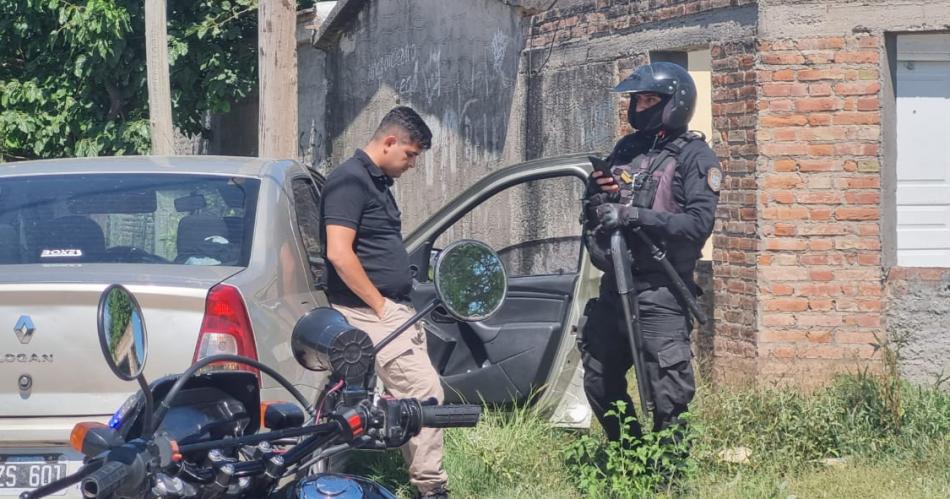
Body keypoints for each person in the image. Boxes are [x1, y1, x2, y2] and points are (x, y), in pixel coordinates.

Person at [579, 62, 721, 444]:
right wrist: (599, 199)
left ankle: (668, 477)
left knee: (667, 394)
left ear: (675, 101)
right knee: (598, 376)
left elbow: (696, 225)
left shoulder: (696, 156)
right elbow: (596, 204)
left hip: (662, 291)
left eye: (649, 99)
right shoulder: (627, 149)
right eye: (637, 99)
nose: (641, 106)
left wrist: (632, 214)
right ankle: (629, 452)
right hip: (615, 285)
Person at [320, 106, 448, 498]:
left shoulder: (374, 183)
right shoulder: (349, 182)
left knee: (406, 398)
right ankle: (432, 489)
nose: (411, 164)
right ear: (389, 141)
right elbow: (339, 253)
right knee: (426, 395)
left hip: (387, 309)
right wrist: (381, 307)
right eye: (410, 154)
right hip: (368, 311)